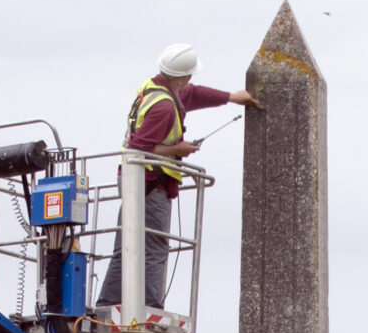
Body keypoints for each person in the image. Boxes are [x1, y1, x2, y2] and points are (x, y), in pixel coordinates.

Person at [94, 43, 263, 318]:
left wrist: (231, 97)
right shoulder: (163, 107)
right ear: (184, 76)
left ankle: (107, 303)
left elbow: (192, 95)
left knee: (126, 243)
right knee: (155, 245)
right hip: (150, 181)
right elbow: (139, 147)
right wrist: (178, 149)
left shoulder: (153, 88)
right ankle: (149, 307)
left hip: (136, 178)